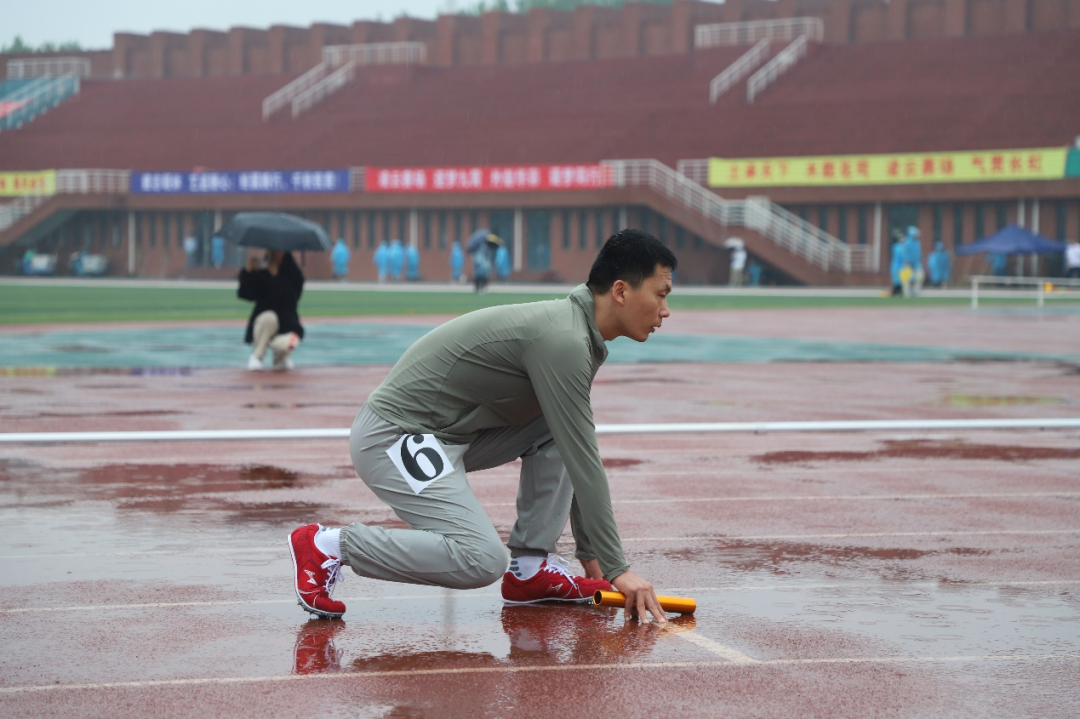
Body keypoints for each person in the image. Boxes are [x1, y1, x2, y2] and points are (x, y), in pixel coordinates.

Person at [287, 228, 676, 625]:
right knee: (480, 558)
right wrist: (617, 567)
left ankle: (530, 570)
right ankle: (327, 545)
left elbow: (574, 443)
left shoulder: (577, 333)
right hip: (393, 434)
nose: (665, 310)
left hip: (446, 434)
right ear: (621, 291)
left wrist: (593, 560)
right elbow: (584, 461)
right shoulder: (565, 339)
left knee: (556, 426)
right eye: (661, 294)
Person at [238, 249, 304, 371]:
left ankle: (281, 357)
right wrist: (248, 272)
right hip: (265, 320)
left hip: (287, 322)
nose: (274, 253)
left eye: (278, 251)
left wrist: (275, 277)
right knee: (268, 318)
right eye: (271, 250)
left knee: (290, 341)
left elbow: (291, 297)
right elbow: (245, 294)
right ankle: (257, 356)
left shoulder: (293, 273)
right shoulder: (262, 270)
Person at [902, 226, 924, 297]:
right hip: (908, 263)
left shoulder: (918, 242)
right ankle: (906, 294)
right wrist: (906, 260)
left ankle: (915, 291)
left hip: (916, 263)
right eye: (916, 234)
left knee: (920, 276)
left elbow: (918, 252)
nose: (918, 235)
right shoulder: (907, 242)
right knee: (907, 279)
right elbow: (905, 252)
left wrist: (920, 258)